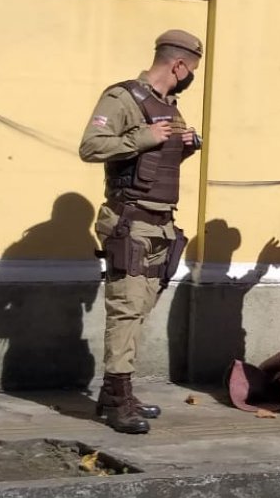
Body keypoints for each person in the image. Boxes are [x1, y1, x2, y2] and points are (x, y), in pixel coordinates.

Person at [79, 29, 203, 434]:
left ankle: (119, 390)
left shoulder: (169, 106)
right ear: (179, 65)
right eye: (192, 70)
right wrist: (144, 136)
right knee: (126, 308)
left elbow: (160, 158)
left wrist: (185, 142)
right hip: (129, 219)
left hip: (161, 222)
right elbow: (92, 146)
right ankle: (117, 397)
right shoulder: (123, 98)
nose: (191, 78)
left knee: (141, 310)